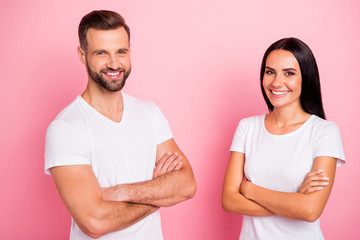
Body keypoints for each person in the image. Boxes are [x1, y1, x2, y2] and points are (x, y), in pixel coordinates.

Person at [44, 10, 196, 240]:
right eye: (102, 53)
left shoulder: (150, 114)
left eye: (121, 52)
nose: (114, 63)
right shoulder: (66, 128)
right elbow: (94, 222)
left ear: (130, 52)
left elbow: (186, 185)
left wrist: (119, 192)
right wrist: (159, 194)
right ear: (82, 54)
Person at [222, 37, 345, 240]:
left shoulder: (324, 131)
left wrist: (248, 189)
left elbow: (310, 210)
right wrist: (295, 202)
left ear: (305, 77)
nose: (276, 82)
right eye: (270, 72)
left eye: (289, 73)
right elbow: (229, 200)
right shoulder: (247, 127)